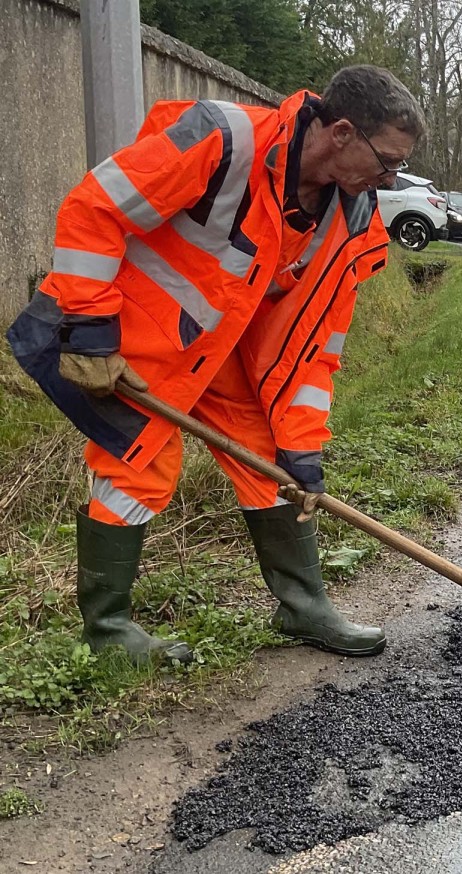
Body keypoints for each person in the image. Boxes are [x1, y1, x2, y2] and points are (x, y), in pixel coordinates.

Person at [6, 65, 426, 663]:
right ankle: (108, 632)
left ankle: (302, 606)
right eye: (385, 161)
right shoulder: (224, 139)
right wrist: (90, 329)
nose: (388, 177)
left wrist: (303, 449)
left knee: (271, 460)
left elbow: (315, 346)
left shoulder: (353, 219)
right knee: (143, 463)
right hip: (132, 342)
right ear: (340, 133)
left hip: (217, 352)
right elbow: (96, 206)